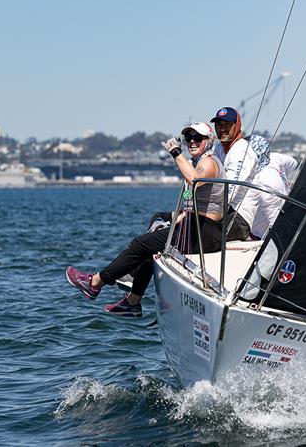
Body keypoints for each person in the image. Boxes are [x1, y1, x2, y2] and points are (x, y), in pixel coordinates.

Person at [66, 122, 224, 317]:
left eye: (197, 138)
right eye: (188, 138)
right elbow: (191, 198)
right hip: (196, 227)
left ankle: (95, 283)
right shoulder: (197, 162)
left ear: (209, 141)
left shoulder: (209, 162)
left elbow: (194, 180)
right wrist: (180, 216)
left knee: (140, 244)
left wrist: (176, 152)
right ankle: (132, 302)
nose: (192, 141)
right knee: (151, 243)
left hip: (204, 232)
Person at [210, 107, 260, 241]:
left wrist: (206, 214)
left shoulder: (241, 150)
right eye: (219, 125)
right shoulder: (219, 148)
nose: (222, 129)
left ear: (237, 125)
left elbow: (230, 190)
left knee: (196, 233)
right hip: (222, 212)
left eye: (227, 124)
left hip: (239, 217)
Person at [250, 152, 299, 239]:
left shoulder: (260, 176)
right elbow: (294, 163)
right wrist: (281, 175)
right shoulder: (275, 157)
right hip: (287, 215)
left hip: (260, 233)